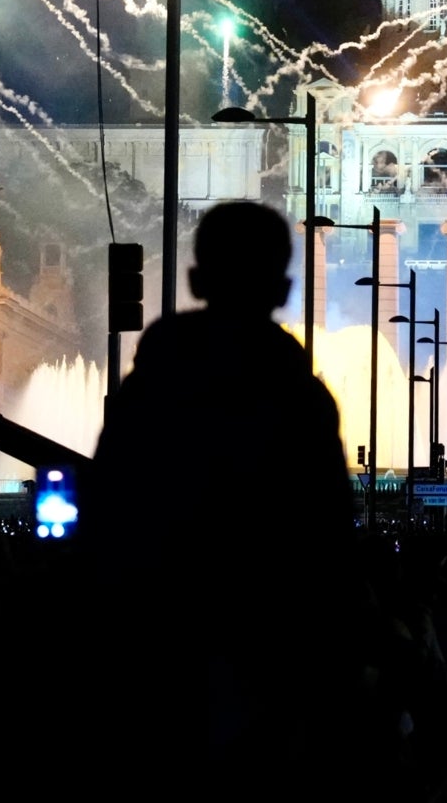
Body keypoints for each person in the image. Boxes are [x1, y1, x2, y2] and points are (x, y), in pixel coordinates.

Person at [87, 201, 358, 764]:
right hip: (270, 667)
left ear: (194, 279)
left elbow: (105, 516)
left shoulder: (147, 394)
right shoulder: (302, 402)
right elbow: (330, 543)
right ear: (284, 288)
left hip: (153, 667)